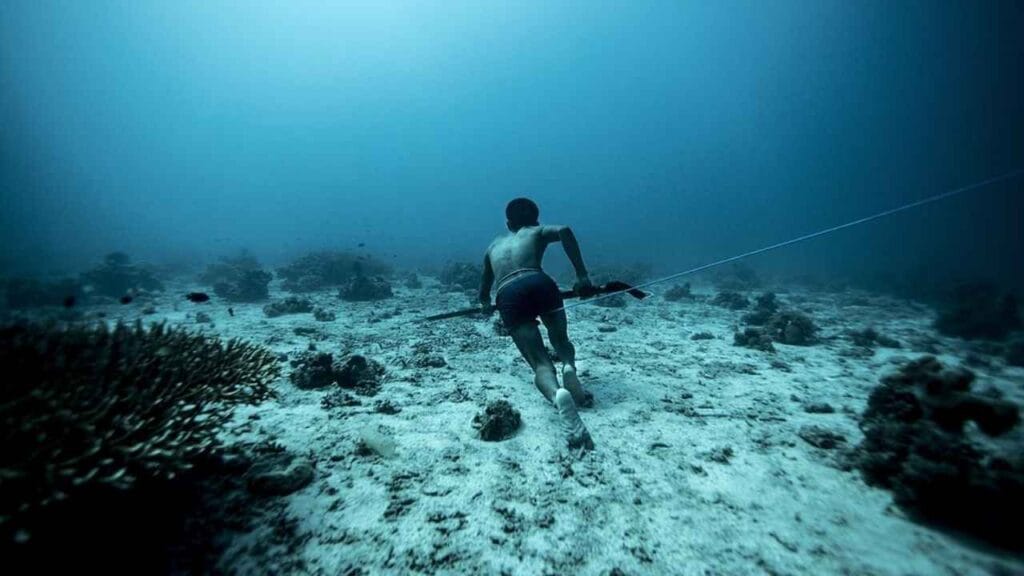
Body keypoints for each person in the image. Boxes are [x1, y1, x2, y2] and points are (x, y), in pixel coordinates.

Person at [478, 198, 596, 450]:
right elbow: (564, 230)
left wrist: (485, 304)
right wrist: (582, 276)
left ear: (509, 223)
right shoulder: (537, 231)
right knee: (560, 339)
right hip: (539, 283)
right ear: (536, 219)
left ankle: (557, 395)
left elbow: (483, 292)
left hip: (507, 293)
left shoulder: (493, 246)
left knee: (539, 362)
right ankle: (568, 367)